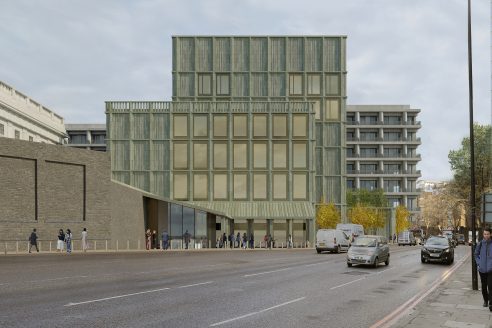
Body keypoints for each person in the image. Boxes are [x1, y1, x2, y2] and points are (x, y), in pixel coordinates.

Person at [475, 227, 492, 310]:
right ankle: (485, 300)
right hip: (482, 270)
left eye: (488, 234)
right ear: (483, 234)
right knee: (484, 287)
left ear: (490, 234)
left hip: (491, 269)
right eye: (485, 234)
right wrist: (479, 263)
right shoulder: (480, 244)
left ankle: (491, 304)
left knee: (491, 286)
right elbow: (476, 254)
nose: (486, 235)